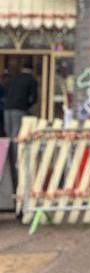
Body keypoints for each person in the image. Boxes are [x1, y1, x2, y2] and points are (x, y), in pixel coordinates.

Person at [4, 60, 38, 190]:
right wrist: (27, 107)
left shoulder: (15, 78)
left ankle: (7, 158)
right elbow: (34, 98)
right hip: (20, 109)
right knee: (17, 135)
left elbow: (8, 91)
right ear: (32, 68)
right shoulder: (31, 80)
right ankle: (15, 159)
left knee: (9, 134)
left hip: (8, 108)